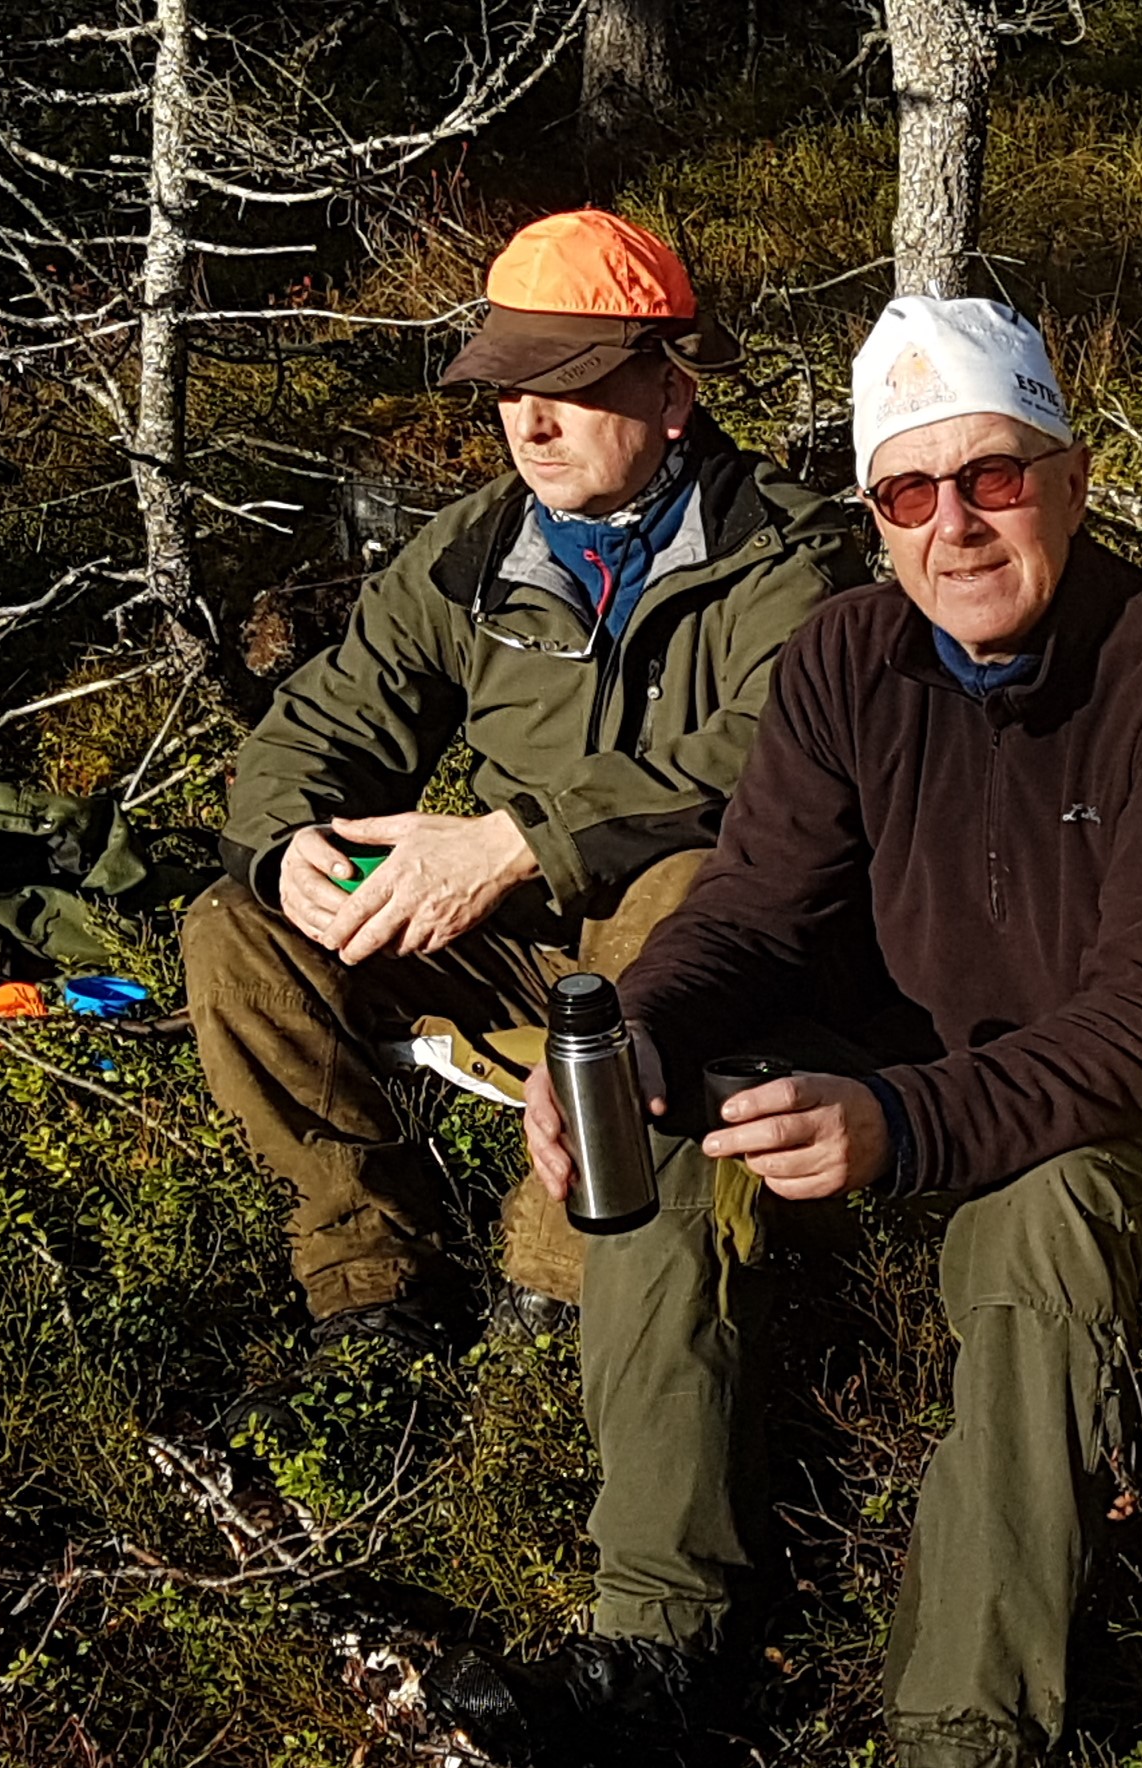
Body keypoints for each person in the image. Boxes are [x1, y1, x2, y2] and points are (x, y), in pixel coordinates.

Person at [452, 297, 1142, 1768]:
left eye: (990, 477)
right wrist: (642, 1035)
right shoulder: (849, 656)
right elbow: (757, 906)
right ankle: (661, 1643)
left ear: (1068, 475)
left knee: (1038, 1214)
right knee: (670, 1125)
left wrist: (905, 1123)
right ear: (871, 517)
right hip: (939, 1090)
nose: (955, 526)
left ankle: (958, 1763)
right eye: (907, 494)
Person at [184, 210, 862, 1357]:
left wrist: (512, 843)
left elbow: (774, 754)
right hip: (508, 939)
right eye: (506, 389)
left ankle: (553, 1308)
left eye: (568, 386)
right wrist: (286, 842)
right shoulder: (474, 549)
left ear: (671, 393)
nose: (530, 424)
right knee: (236, 928)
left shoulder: (787, 557)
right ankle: (372, 1288)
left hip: (695, 956)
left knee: (680, 890)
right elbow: (327, 717)